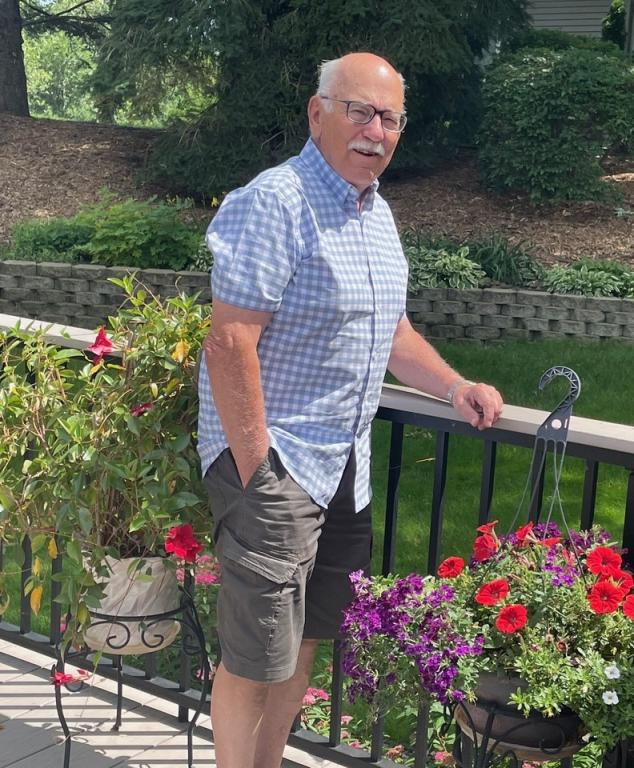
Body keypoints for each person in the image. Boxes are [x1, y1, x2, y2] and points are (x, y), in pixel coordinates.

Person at [198, 51, 503, 768]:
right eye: (358, 110)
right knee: (254, 656)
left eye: (389, 117)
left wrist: (455, 387)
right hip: (276, 464)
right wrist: (257, 467)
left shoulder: (377, 215)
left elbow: (391, 333)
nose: (375, 129)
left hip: (344, 466)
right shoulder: (277, 201)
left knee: (304, 641)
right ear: (317, 112)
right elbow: (230, 339)